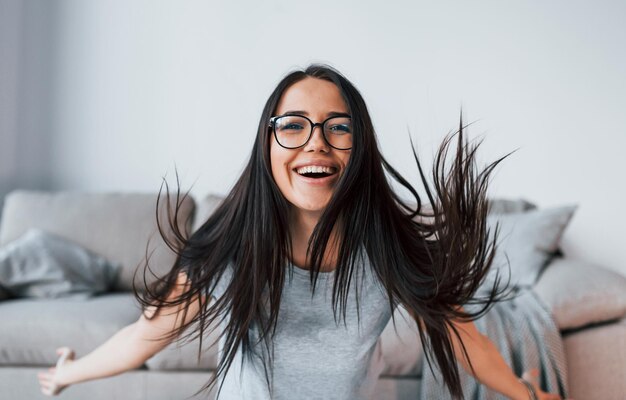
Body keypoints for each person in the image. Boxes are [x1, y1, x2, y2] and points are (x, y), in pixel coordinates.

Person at [37, 64, 565, 400]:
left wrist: (525, 395)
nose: (316, 143)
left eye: (338, 126)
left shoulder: (389, 253)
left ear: (359, 149)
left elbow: (465, 340)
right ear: (267, 146)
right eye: (293, 125)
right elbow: (141, 339)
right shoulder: (227, 253)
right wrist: (67, 374)